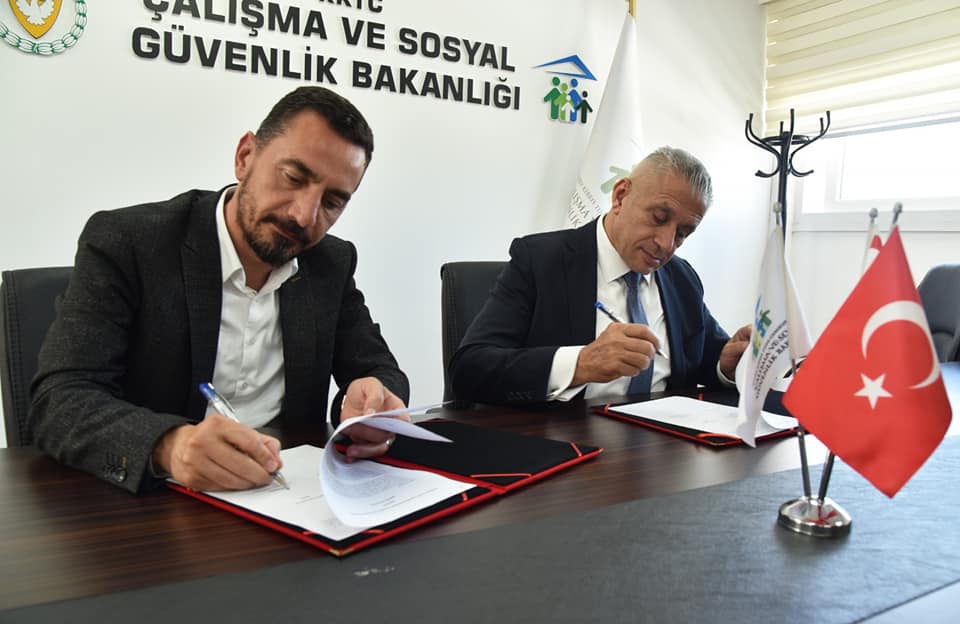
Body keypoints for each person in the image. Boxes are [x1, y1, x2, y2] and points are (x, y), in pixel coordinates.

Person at [28, 86, 409, 493]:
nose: (304, 215)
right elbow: (60, 400)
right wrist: (169, 445)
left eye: (332, 201)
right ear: (245, 157)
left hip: (288, 497)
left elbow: (380, 371)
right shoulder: (129, 243)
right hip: (151, 507)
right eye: (293, 177)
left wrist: (370, 403)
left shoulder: (330, 262)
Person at [449, 146, 750, 405]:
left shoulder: (681, 278)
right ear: (620, 196)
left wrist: (726, 365)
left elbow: (704, 359)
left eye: (683, 233)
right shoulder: (540, 260)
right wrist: (580, 363)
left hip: (662, 446)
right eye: (658, 218)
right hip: (565, 441)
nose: (666, 243)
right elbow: (470, 368)